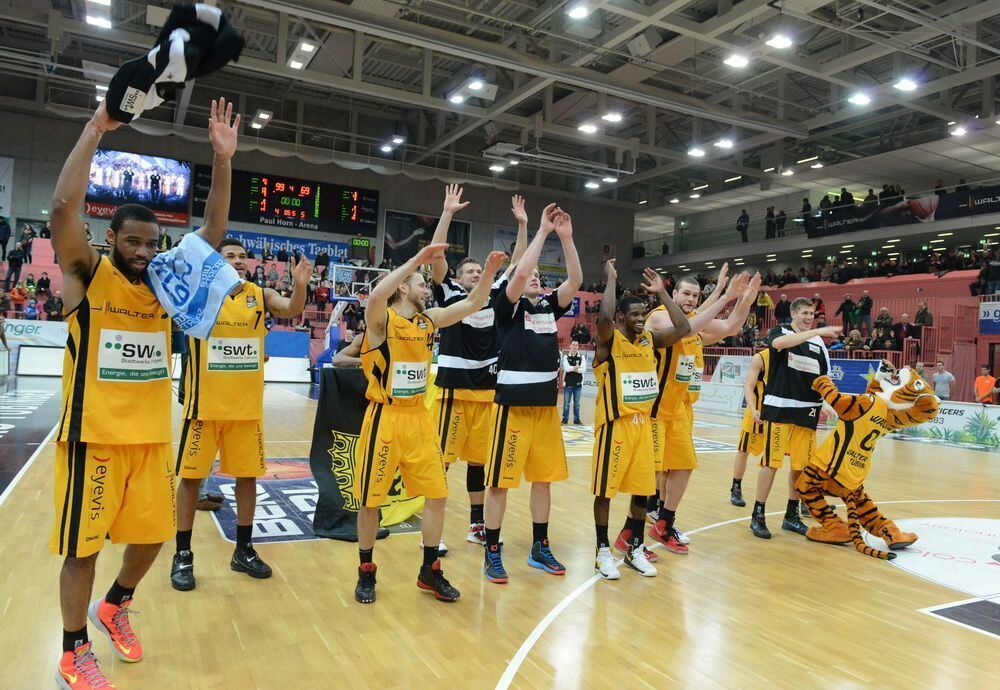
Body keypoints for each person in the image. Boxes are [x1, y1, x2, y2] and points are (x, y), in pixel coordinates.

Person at [49, 97, 236, 690]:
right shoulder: (87, 274)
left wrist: (222, 160)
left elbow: (212, 232)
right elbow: (61, 206)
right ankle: (73, 649)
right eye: (133, 242)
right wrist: (95, 127)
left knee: (154, 538)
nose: (144, 253)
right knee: (83, 550)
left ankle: (116, 605)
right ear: (113, 238)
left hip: (152, 440)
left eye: (152, 244)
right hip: (93, 440)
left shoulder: (163, 284)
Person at [353, 240, 506, 604]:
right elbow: (376, 294)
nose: (428, 289)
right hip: (384, 418)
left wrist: (488, 273)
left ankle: (429, 570)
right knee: (370, 501)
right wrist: (414, 263)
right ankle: (366, 570)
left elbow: (472, 303)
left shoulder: (429, 321)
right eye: (423, 284)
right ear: (404, 287)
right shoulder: (381, 320)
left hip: (419, 419)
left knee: (437, 494)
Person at [171, 238, 311, 592]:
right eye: (229, 255)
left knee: (247, 479)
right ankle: (183, 553)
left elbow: (292, 308)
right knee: (190, 480)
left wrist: (301, 284)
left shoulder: (259, 294)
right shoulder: (197, 292)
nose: (237, 260)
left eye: (242, 255)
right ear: (215, 261)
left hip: (246, 409)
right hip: (205, 407)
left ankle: (244, 549)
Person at [482, 204, 582, 584]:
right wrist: (541, 232)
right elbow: (521, 269)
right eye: (532, 275)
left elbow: (574, 280)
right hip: (512, 409)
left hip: (544, 410)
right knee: (500, 483)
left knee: (544, 481)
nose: (536, 277)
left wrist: (567, 240)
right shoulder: (504, 306)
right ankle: (492, 549)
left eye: (541, 275)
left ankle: (540, 546)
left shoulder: (545, 308)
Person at [427, 187, 527, 550]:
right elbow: (435, 257)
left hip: (488, 393)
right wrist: (448, 213)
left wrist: (523, 225)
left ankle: (476, 525)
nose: (475, 274)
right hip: (453, 392)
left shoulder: (493, 294)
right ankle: (433, 533)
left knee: (479, 465)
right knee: (442, 463)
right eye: (469, 270)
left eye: (478, 270)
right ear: (457, 276)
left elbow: (518, 263)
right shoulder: (449, 295)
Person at [643, 264, 758, 554]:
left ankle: (664, 523)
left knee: (683, 467)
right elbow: (687, 326)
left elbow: (730, 327)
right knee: (650, 475)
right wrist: (724, 294)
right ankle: (635, 531)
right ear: (673, 293)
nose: (691, 299)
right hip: (654, 409)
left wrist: (745, 299)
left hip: (680, 410)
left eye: (695, 295)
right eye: (686, 294)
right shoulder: (659, 317)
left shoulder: (696, 324)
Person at [592, 259, 691, 580]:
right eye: (633, 315)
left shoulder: (650, 339)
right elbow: (604, 317)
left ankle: (634, 547)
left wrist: (663, 293)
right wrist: (611, 279)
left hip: (644, 427)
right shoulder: (609, 342)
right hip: (614, 426)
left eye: (641, 314)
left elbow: (683, 329)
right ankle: (602, 551)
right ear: (621, 317)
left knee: (641, 494)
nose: (639, 320)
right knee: (605, 493)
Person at [751, 297, 840, 540]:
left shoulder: (819, 344)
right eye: (804, 313)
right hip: (779, 408)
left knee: (800, 467)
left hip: (807, 411)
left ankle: (792, 516)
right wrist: (817, 332)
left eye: (812, 313)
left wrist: (826, 403)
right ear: (793, 314)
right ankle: (758, 514)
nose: (809, 317)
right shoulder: (780, 331)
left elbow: (824, 377)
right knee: (772, 463)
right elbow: (779, 344)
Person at [729, 348, 771, 507]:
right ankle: (736, 487)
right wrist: (753, 410)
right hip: (757, 411)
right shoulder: (761, 358)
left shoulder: (792, 357)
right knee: (743, 449)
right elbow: (748, 386)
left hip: (778, 414)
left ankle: (804, 499)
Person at [561, 341, 584, 425]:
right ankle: (565, 419)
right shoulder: (566, 357)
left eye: (576, 345)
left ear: (578, 347)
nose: (575, 346)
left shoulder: (582, 357)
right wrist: (576, 367)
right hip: (568, 384)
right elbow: (566, 369)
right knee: (566, 404)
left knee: (577, 404)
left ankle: (576, 419)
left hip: (578, 384)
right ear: (570, 346)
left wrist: (572, 368)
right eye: (573, 345)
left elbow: (583, 370)